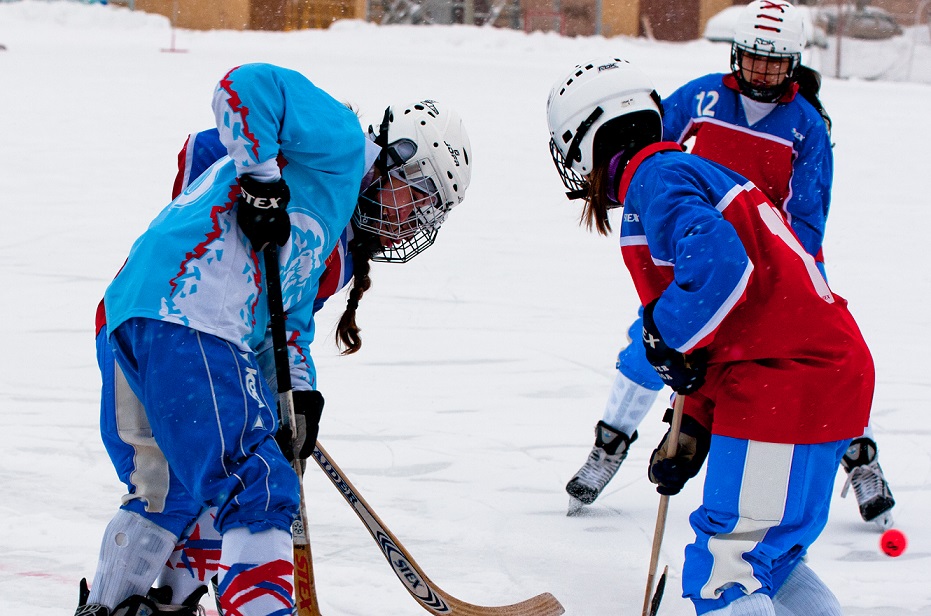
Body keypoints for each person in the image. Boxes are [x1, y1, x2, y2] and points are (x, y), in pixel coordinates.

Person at [75, 63, 472, 616]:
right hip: (192, 313)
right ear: (393, 158)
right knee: (256, 487)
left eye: (433, 211)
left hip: (139, 314)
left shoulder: (326, 237)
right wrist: (260, 180)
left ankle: (123, 607)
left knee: (171, 491)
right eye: (422, 194)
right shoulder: (341, 144)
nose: (417, 220)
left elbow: (284, 326)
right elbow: (247, 86)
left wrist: (300, 397)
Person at [546, 56, 874, 615]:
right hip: (819, 380)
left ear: (588, 138)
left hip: (786, 386)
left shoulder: (657, 176)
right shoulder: (682, 172)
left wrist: (661, 334)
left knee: (728, 574)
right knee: (770, 561)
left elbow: (723, 268)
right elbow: (733, 326)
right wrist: (693, 419)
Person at [563, 0, 895, 530]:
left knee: (810, 354)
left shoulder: (806, 125)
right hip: (697, 251)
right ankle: (610, 446)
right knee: (647, 345)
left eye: (775, 61)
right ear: (736, 54)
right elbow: (652, 147)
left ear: (793, 63)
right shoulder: (702, 96)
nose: (762, 71)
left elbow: (809, 214)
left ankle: (860, 457)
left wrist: (780, 281)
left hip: (775, 261)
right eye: (754, 58)